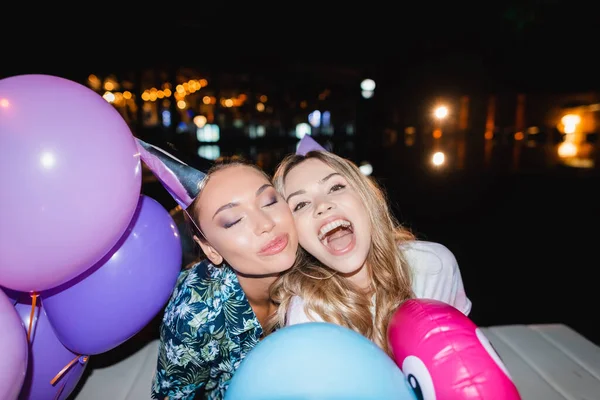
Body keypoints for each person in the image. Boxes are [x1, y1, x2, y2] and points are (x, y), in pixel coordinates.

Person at [267, 138, 471, 357]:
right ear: (296, 235)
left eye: (335, 187)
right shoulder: (308, 312)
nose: (322, 205)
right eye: (301, 204)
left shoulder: (433, 265)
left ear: (366, 199)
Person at [136, 140, 299, 400]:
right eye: (233, 221)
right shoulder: (195, 313)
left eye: (269, 201)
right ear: (209, 247)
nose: (265, 224)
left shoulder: (317, 261)